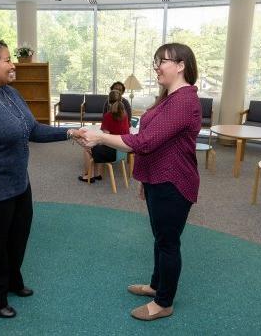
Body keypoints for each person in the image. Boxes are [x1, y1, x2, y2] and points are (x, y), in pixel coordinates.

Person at [0, 35, 83, 319]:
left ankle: (11, 282)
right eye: (7, 60)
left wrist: (69, 132)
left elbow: (32, 130)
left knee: (17, 238)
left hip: (18, 184)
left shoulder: (10, 93)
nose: (13, 65)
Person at [81, 43, 201, 321]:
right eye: (155, 61)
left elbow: (145, 142)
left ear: (181, 65)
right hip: (159, 179)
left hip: (175, 182)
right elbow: (157, 144)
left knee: (168, 243)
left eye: (163, 61)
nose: (157, 66)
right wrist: (145, 179)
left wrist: (99, 136)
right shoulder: (170, 98)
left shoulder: (184, 100)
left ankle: (164, 302)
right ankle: (156, 286)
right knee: (160, 239)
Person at [78, 90, 130, 183]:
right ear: (121, 100)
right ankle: (98, 174)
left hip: (113, 151)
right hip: (123, 150)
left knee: (87, 147)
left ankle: (88, 175)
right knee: (98, 146)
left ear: (108, 101)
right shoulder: (125, 115)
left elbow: (104, 137)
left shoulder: (108, 116)